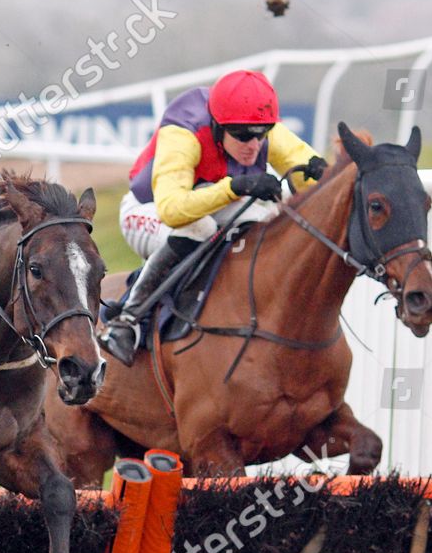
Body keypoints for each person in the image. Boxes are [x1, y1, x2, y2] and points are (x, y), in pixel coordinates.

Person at [98, 69, 327, 366]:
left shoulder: (253, 123)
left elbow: (310, 174)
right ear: (218, 126)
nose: (253, 144)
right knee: (199, 228)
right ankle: (127, 321)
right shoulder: (184, 131)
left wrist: (322, 174)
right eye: (242, 136)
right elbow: (172, 209)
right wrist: (235, 187)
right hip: (149, 209)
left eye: (262, 134)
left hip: (206, 200)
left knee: (266, 216)